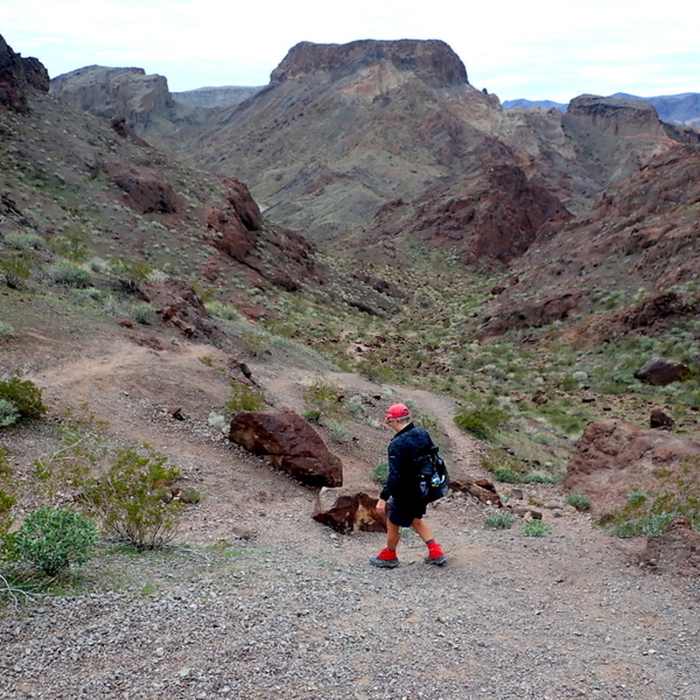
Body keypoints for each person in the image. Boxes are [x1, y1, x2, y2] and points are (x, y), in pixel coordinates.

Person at [370, 403, 447, 568]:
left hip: (407, 490)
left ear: (393, 420)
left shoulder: (397, 444)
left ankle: (389, 555)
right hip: (425, 488)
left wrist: (383, 498)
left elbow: (395, 476)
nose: (386, 421)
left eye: (387, 418)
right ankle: (435, 552)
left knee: (392, 518)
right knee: (415, 519)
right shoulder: (421, 433)